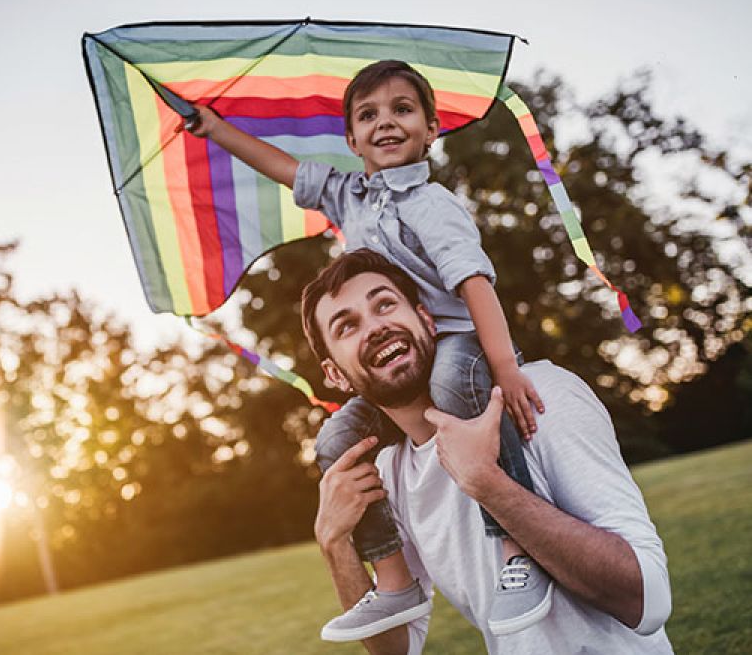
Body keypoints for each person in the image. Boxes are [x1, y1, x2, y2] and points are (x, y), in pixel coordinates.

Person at [187, 59, 551, 641]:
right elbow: (283, 168)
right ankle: (395, 580)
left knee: (452, 386)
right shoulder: (347, 196)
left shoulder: (432, 205)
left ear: (431, 128)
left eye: (402, 110)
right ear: (351, 138)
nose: (386, 122)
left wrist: (504, 367)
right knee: (336, 440)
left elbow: (476, 285)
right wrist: (215, 129)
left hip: (457, 343)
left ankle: (516, 551)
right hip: (395, 362)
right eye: (368, 114)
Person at [301, 248, 673, 654]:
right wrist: (334, 543)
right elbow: (395, 648)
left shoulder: (537, 397)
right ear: (335, 375)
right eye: (347, 326)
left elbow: (648, 601)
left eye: (385, 304)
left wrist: (487, 483)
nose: (375, 327)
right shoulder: (387, 474)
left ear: (426, 319)